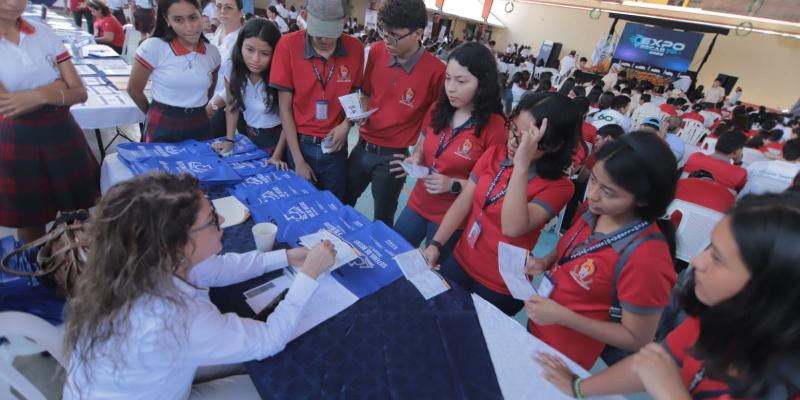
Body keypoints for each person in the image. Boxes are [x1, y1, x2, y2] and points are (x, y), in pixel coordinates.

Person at [62, 173, 337, 399]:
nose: (222, 222)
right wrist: (309, 274)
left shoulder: (143, 263)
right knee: (275, 378)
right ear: (179, 243)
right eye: (210, 219)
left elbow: (217, 269)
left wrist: (287, 257)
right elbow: (269, 340)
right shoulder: (176, 317)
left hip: (134, 382)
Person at [536, 192, 800, 399]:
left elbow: (657, 371)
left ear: (771, 286)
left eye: (718, 258)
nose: (696, 261)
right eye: (710, 248)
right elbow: (651, 364)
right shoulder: (715, 318)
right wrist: (579, 387)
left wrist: (670, 392)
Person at [526, 131, 678, 370]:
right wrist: (545, 262)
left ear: (643, 199)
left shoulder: (646, 258)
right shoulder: (597, 210)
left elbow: (637, 338)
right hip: (538, 326)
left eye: (608, 192)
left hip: (565, 357)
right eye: (594, 179)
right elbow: (575, 248)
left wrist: (563, 316)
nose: (593, 195)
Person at [424, 92, 576, 316]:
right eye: (513, 130)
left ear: (553, 146)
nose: (513, 142)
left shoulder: (559, 187)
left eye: (526, 139)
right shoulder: (495, 153)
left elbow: (512, 227)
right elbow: (464, 202)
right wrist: (436, 244)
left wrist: (521, 166)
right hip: (461, 260)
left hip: (499, 284)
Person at [393, 42, 506, 261]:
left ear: (482, 83)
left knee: (432, 275)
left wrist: (453, 184)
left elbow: (490, 185)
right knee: (395, 257)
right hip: (418, 203)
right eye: (448, 78)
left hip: (451, 219)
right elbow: (422, 143)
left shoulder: (495, 127)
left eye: (461, 81)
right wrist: (416, 158)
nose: (451, 88)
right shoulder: (438, 108)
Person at [0, 0, 100, 244]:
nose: (13, 3)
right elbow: (8, 106)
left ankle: (76, 269)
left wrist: (37, 95)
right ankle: (37, 272)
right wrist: (57, 88)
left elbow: (80, 92)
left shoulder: (42, 31)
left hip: (62, 132)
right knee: (30, 220)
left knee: (80, 213)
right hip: (17, 138)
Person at [345, 0, 445, 227]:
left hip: (393, 159)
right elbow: (368, 93)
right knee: (342, 202)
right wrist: (361, 110)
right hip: (362, 147)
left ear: (418, 33)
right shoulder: (378, 51)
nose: (387, 41)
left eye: (394, 36)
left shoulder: (436, 72)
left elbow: (435, 123)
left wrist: (418, 151)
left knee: (382, 219)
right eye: (383, 32)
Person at [269, 0, 363, 200]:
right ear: (305, 16)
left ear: (344, 21)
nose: (323, 38)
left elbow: (354, 98)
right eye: (318, 30)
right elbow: (285, 109)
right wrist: (298, 160)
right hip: (300, 143)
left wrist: (347, 125)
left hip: (335, 147)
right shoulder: (288, 46)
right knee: (299, 204)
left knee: (334, 207)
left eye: (330, 32)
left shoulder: (355, 49)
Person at [128, 0, 221, 142]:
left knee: (200, 163)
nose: (189, 27)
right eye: (178, 20)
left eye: (193, 17)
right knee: (161, 164)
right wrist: (153, 113)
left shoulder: (212, 53)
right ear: (167, 19)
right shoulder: (153, 47)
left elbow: (208, 92)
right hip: (163, 123)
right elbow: (134, 90)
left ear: (201, 14)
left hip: (200, 122)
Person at [211, 18, 287, 169]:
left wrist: (277, 155)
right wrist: (230, 140)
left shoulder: (281, 75)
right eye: (250, 50)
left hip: (279, 141)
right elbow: (232, 105)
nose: (255, 59)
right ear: (240, 46)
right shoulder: (231, 67)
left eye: (264, 53)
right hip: (250, 136)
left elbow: (288, 120)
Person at [204, 0, 244, 136]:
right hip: (207, 101)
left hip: (225, 106)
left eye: (228, 7)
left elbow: (239, 80)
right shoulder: (217, 34)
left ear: (240, 12)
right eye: (219, 6)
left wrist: (214, 105)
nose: (222, 11)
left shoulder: (243, 40)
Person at [684, 131, 748, 192]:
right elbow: (737, 193)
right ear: (735, 152)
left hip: (682, 195)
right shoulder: (740, 173)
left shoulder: (695, 157)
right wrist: (737, 163)